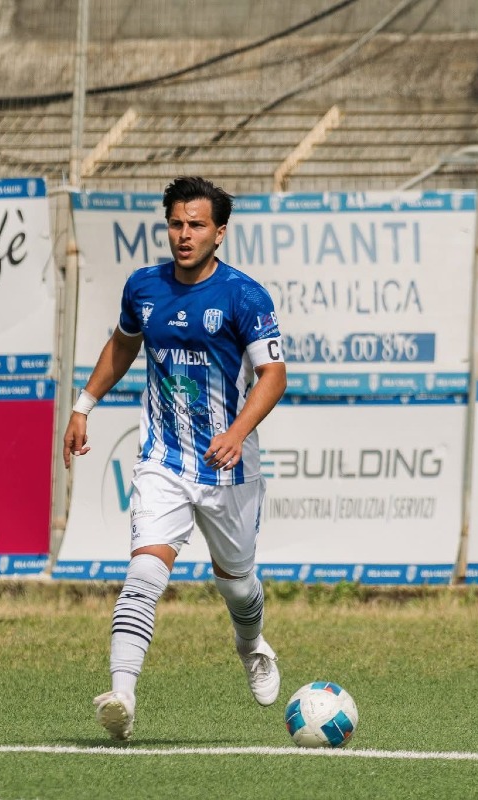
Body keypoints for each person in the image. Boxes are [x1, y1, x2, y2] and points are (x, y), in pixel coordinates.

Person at [62, 176, 287, 741]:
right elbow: (123, 343)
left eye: (196, 225)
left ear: (219, 233)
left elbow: (274, 376)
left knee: (237, 585)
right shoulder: (144, 287)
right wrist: (84, 404)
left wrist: (238, 431)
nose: (183, 235)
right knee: (142, 573)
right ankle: (122, 694)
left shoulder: (244, 296)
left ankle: (251, 645)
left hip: (228, 467)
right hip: (163, 459)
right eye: (176, 224)